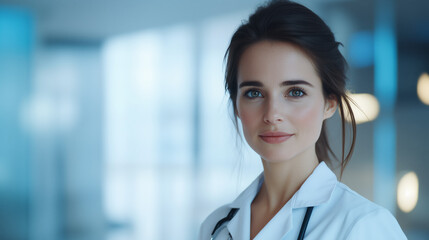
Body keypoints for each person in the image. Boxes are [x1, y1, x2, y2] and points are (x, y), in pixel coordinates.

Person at [198, 0, 407, 239]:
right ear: (236, 104)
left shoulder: (363, 226)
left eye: (295, 92)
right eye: (254, 93)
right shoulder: (216, 227)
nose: (272, 114)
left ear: (330, 103)